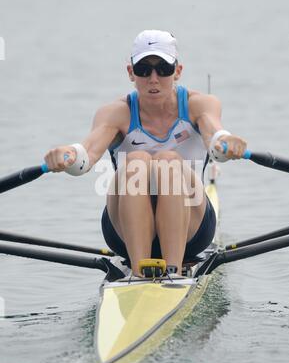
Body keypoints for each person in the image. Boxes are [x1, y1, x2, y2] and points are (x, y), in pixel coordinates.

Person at [45, 30, 247, 277]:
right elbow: (86, 155)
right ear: (131, 73)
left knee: (167, 160)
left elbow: (214, 134)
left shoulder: (200, 104)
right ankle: (140, 273)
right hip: (124, 233)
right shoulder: (115, 112)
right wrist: (69, 155)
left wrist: (224, 143)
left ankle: (173, 274)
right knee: (137, 161)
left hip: (191, 230)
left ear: (178, 71)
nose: (153, 78)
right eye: (143, 69)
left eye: (163, 68)